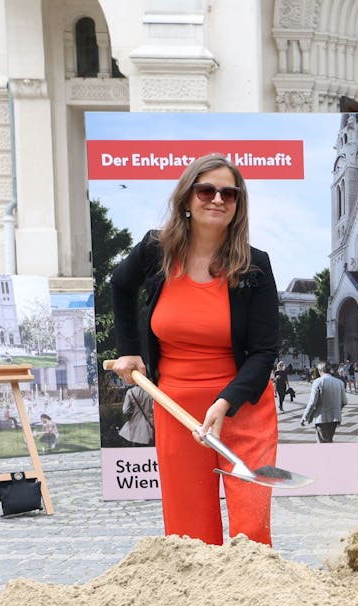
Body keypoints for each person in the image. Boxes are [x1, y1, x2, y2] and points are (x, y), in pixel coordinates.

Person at [108, 153, 281, 546]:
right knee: (189, 532)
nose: (217, 199)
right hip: (177, 408)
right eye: (206, 190)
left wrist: (225, 403)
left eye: (229, 194)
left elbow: (264, 351)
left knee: (251, 532)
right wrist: (130, 349)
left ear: (238, 205)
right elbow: (120, 285)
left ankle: (251, 603)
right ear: (187, 198)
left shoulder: (255, 266)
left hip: (242, 408)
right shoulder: (156, 250)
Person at [301, 361, 346, 442]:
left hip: (321, 418)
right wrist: (336, 409)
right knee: (329, 440)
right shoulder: (339, 382)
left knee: (322, 443)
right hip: (335, 418)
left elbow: (312, 402)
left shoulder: (317, 382)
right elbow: (344, 401)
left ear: (320, 370)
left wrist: (305, 417)